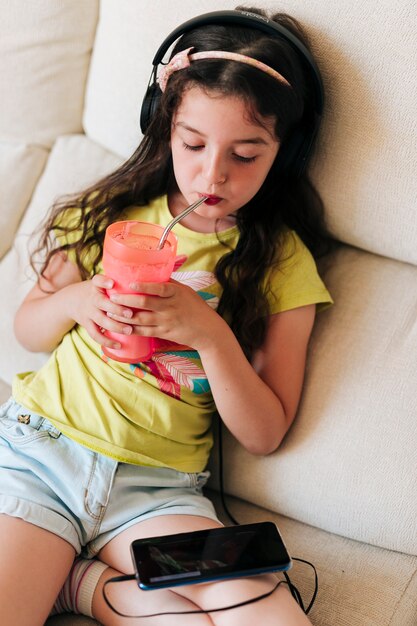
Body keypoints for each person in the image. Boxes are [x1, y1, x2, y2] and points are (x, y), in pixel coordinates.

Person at [0, 6, 333, 625]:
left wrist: (208, 334)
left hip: (155, 494)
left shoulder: (282, 263)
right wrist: (76, 301)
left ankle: (86, 587)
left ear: (284, 152)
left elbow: (264, 433)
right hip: (42, 455)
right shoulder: (110, 215)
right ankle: (82, 583)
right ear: (165, 127)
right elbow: (27, 330)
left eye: (246, 154)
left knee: (265, 611)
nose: (214, 174)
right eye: (194, 144)